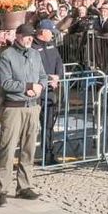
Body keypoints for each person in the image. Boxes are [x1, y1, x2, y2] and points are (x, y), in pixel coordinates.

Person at [0, 25, 48, 207]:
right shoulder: (6, 56)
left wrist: (40, 86)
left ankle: (24, 186)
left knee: (29, 148)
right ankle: (1, 190)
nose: (29, 40)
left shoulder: (35, 54)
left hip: (32, 107)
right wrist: (28, 87)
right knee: (7, 149)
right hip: (13, 108)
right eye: (26, 37)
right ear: (18, 36)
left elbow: (43, 76)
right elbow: (6, 83)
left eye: (31, 37)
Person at [32, 20, 65, 165]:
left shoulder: (52, 45)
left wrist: (58, 76)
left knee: (48, 125)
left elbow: (59, 62)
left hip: (51, 91)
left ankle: (48, 154)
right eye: (50, 32)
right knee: (31, 126)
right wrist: (46, 79)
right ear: (42, 32)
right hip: (37, 91)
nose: (52, 35)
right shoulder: (32, 47)